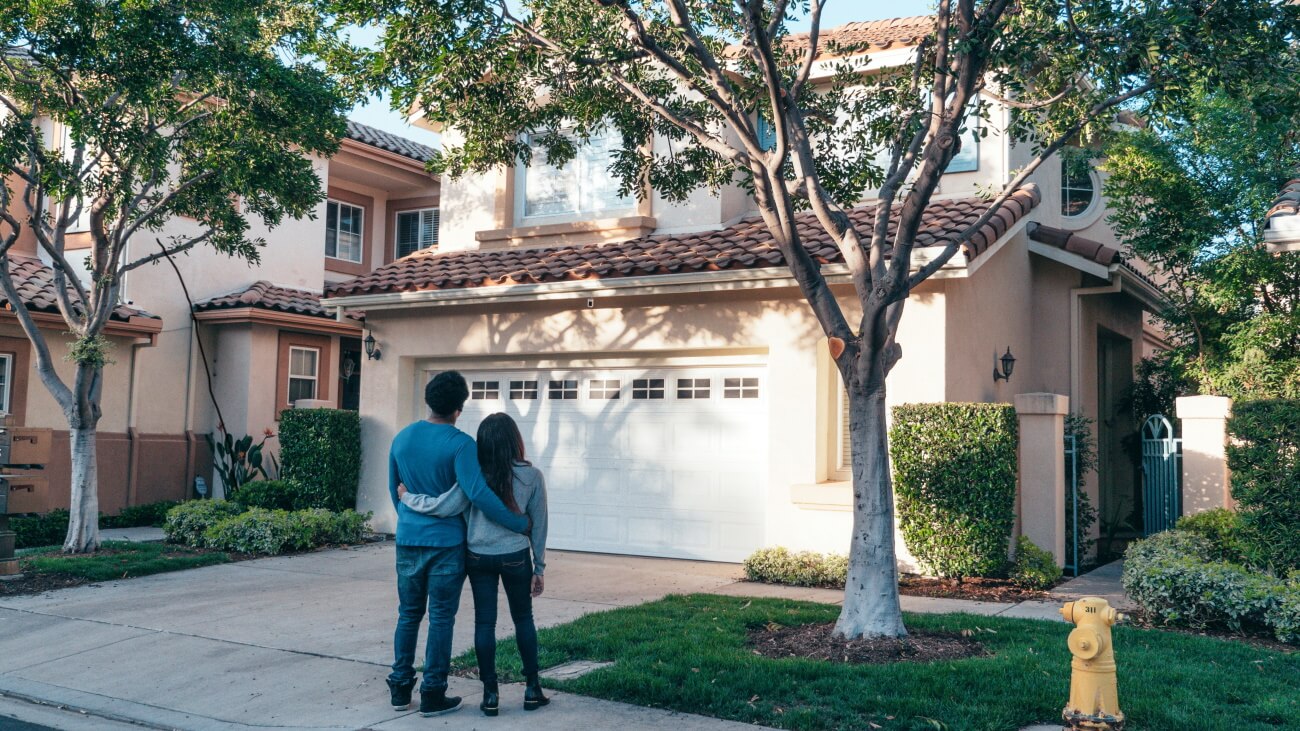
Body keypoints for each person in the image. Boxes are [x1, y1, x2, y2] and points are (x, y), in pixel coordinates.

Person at [386, 371, 530, 718]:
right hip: (447, 545)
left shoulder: (402, 439)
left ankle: (400, 688)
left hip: (408, 540)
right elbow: (478, 494)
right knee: (440, 618)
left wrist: (411, 523)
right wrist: (518, 523)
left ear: (429, 401)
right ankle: (433, 692)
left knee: (408, 615)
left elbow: (396, 491)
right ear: (459, 407)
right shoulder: (462, 444)